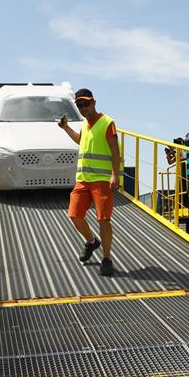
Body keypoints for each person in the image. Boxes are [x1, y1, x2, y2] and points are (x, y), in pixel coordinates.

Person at [58, 88, 120, 276]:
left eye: (86, 103)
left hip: (101, 180)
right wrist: (66, 127)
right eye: (80, 105)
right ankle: (92, 242)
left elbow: (115, 151)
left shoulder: (107, 122)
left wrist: (115, 175)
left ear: (94, 102)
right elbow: (80, 140)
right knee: (74, 215)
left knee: (103, 219)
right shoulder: (85, 125)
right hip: (83, 180)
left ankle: (107, 259)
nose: (83, 107)